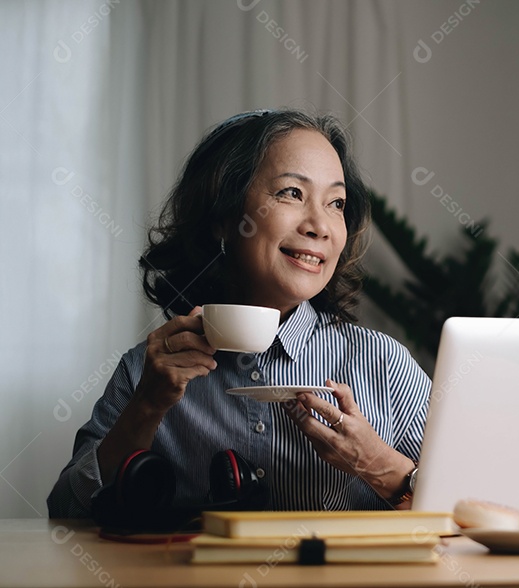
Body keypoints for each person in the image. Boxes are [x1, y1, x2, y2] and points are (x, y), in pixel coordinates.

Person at [47, 110, 430, 516]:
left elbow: (479, 508)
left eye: (336, 203)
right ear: (223, 219)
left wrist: (384, 469)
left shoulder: (381, 364)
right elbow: (66, 514)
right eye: (292, 193)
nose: (320, 225)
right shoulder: (148, 371)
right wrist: (145, 408)